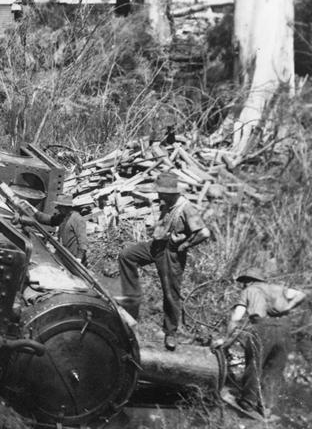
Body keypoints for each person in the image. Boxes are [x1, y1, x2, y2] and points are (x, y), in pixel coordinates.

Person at [117, 172, 211, 351]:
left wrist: (185, 245)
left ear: (170, 192)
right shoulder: (167, 203)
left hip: (171, 252)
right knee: (127, 255)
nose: (158, 195)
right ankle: (131, 303)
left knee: (170, 293)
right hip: (157, 245)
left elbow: (204, 233)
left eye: (161, 193)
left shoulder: (186, 207)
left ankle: (171, 332)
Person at [213, 268, 307, 415]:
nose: (243, 285)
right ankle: (266, 406)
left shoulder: (248, 291)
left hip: (261, 328)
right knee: (275, 368)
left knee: (255, 365)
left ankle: (248, 402)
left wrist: (226, 339)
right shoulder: (278, 288)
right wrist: (288, 306)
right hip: (284, 329)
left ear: (250, 281)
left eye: (244, 282)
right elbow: (301, 294)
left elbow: (236, 318)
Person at [19, 194, 88, 264]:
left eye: (59, 207)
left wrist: (79, 258)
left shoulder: (78, 219)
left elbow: (82, 242)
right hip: (64, 255)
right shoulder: (63, 217)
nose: (57, 209)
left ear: (65, 207)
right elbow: (47, 219)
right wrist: (30, 207)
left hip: (74, 259)